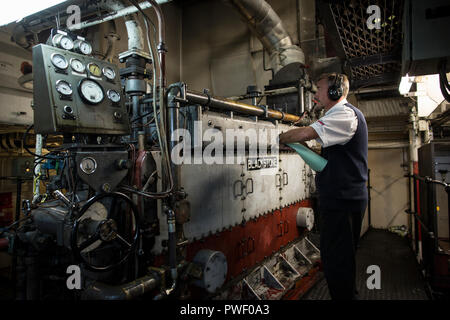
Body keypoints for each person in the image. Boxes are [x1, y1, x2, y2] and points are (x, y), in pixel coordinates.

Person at [279, 73, 368, 300]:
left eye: (319, 89)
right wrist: (301, 146)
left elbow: (306, 132)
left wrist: (282, 136)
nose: (315, 94)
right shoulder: (338, 116)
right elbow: (327, 158)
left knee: (337, 263)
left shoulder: (343, 115)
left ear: (335, 91)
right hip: (341, 198)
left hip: (342, 200)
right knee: (338, 260)